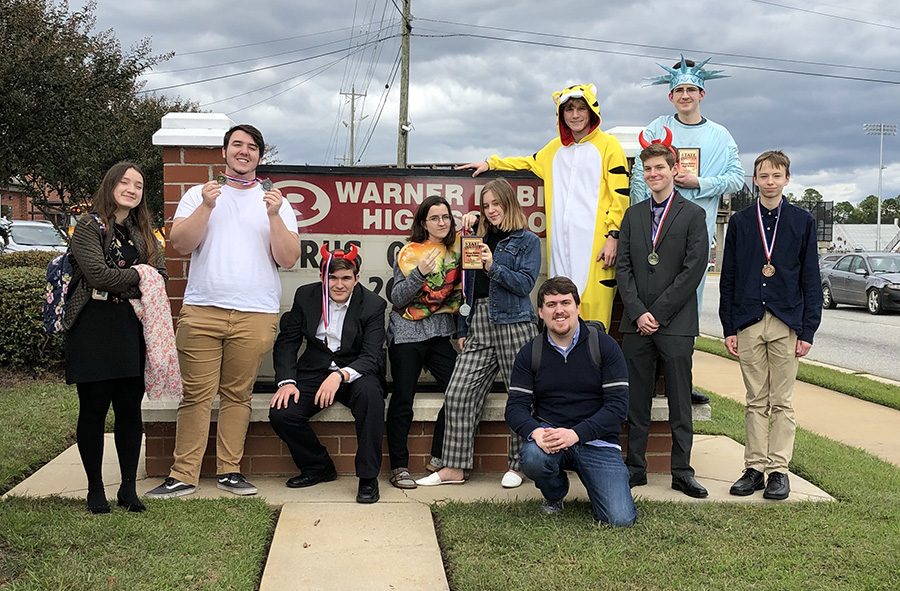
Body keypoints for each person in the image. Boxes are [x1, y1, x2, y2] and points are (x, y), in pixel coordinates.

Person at [146, 124, 300, 499]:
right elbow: (180, 244)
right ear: (225, 152)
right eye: (236, 145)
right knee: (196, 396)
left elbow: (289, 258)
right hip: (203, 311)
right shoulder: (200, 195)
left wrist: (276, 216)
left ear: (260, 156)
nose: (243, 151)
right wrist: (207, 206)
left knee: (237, 395)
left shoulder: (276, 201)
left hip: (255, 313)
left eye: (251, 147)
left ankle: (230, 471)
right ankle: (184, 474)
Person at [457, 83, 630, 330]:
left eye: (581, 108)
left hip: (596, 247)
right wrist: (490, 163)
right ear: (561, 115)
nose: (576, 115)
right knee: (560, 307)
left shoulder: (609, 146)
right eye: (569, 110)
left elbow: (620, 195)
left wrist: (613, 235)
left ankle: (594, 363)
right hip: (559, 245)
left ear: (592, 110)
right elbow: (525, 163)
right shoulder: (553, 149)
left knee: (594, 317)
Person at [630, 55, 745, 405]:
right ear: (670, 96)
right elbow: (639, 175)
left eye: (691, 89)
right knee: (649, 301)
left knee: (686, 307)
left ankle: (682, 378)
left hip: (694, 235)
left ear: (702, 94)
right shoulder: (656, 128)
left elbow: (738, 179)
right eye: (678, 90)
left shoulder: (719, 135)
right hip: (653, 235)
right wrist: (643, 215)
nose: (685, 95)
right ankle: (649, 380)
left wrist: (700, 181)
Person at [416, 178, 540, 488]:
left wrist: (493, 266)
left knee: (521, 395)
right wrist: (463, 326)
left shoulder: (527, 240)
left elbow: (525, 285)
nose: (491, 210)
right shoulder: (475, 237)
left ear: (509, 203)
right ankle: (454, 468)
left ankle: (519, 465)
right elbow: (465, 287)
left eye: (496, 204)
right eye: (486, 205)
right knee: (459, 391)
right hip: (479, 322)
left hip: (515, 321)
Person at [719, 150, 822, 501]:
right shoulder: (741, 222)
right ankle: (753, 468)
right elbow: (729, 276)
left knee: (782, 401)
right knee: (754, 400)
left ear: (787, 179)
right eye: (764, 176)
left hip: (785, 320)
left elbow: (810, 278)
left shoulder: (801, 221)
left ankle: (779, 470)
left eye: (777, 176)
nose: (770, 182)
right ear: (755, 179)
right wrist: (729, 326)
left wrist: (808, 330)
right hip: (748, 320)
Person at [66, 162, 167, 513]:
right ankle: (95, 488)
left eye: (138, 185)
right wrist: (141, 275)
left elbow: (162, 273)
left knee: (129, 411)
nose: (131, 189)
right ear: (110, 185)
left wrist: (138, 275)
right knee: (93, 409)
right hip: (93, 327)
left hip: (131, 328)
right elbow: (97, 275)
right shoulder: (89, 226)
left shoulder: (143, 231)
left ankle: (127, 488)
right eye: (124, 182)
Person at [617, 141, 710, 498]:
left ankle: (682, 470)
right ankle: (635, 468)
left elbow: (693, 270)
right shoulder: (634, 215)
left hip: (676, 324)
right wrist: (639, 312)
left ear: (674, 170)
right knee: (636, 399)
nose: (654, 174)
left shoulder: (692, 215)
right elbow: (623, 268)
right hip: (637, 324)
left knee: (679, 400)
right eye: (648, 169)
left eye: (660, 168)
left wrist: (658, 312)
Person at [506, 276, 636, 527]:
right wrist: (536, 433)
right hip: (551, 438)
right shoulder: (529, 353)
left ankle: (602, 481)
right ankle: (555, 493)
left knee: (619, 519)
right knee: (532, 457)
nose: (559, 310)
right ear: (540, 312)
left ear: (577, 307)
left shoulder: (605, 347)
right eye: (551, 304)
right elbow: (515, 408)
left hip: (597, 441)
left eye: (565, 302)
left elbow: (618, 407)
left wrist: (576, 434)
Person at [268, 247, 387, 503]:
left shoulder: (373, 305)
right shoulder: (305, 296)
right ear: (323, 276)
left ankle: (367, 478)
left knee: (371, 399)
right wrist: (287, 381)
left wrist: (340, 376)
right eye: (333, 278)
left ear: (356, 277)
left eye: (346, 278)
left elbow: (372, 355)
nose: (339, 284)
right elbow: (287, 341)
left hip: (355, 371)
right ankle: (317, 466)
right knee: (282, 412)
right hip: (314, 370)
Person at [386, 196, 463, 489]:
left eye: (446, 217)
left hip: (441, 333)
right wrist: (421, 273)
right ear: (423, 222)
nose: (442, 223)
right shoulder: (410, 252)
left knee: (459, 391)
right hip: (407, 333)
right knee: (403, 398)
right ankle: (399, 467)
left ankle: (440, 456)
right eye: (435, 218)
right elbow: (397, 298)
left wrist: (471, 222)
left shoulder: (456, 249)